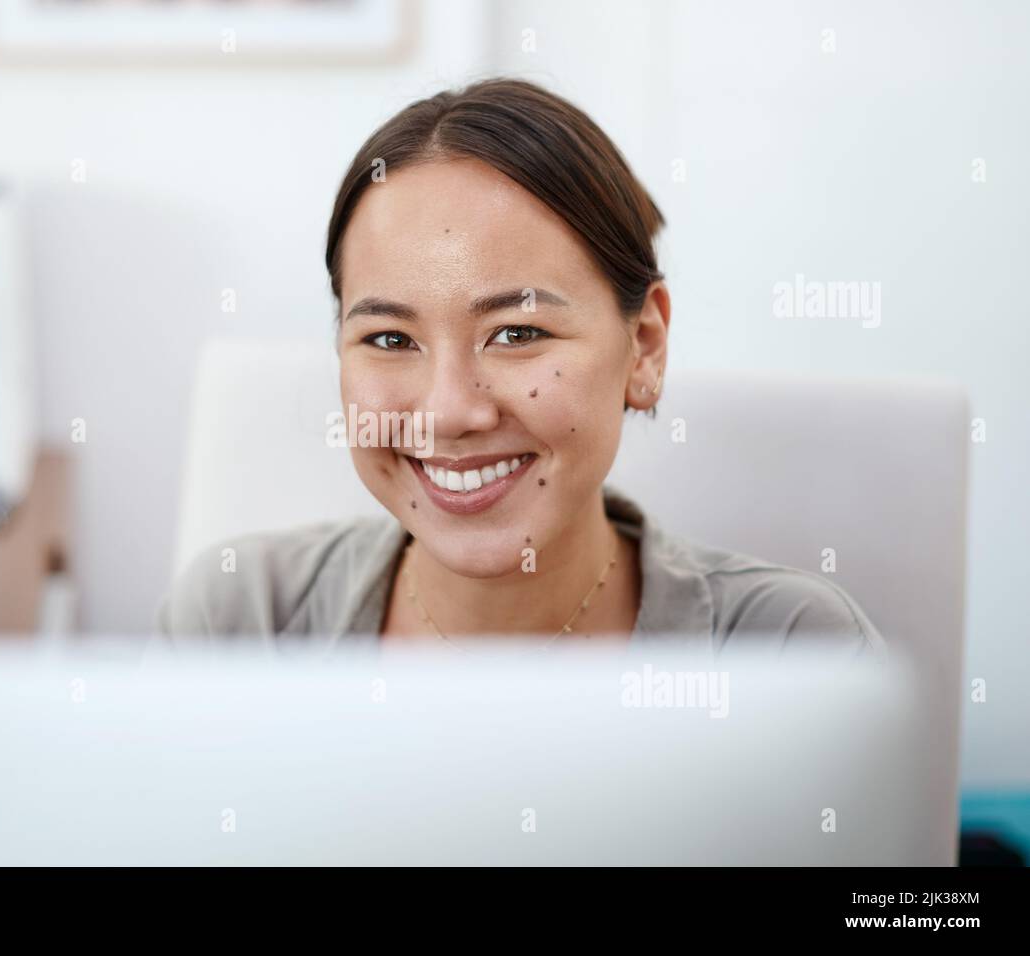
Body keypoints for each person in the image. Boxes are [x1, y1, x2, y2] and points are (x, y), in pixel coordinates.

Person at [159, 78, 883, 655]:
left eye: (517, 332)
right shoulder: (237, 623)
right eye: (389, 339)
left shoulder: (793, 652)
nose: (448, 411)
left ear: (646, 346)